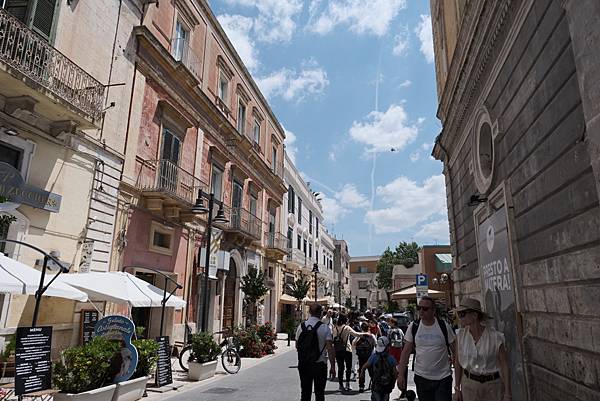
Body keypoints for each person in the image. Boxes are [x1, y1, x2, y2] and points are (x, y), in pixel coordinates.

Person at [397, 296, 456, 401]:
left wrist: (459, 380)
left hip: (443, 378)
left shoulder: (443, 326)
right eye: (419, 308)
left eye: (425, 309)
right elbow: (405, 352)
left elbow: (456, 351)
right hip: (422, 379)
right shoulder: (414, 326)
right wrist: (400, 375)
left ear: (433, 311)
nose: (421, 311)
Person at [452, 298, 511, 401]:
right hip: (469, 384)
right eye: (459, 314)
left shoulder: (495, 337)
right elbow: (457, 363)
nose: (460, 317)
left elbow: (504, 365)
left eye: (462, 314)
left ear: (474, 315)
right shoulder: (460, 336)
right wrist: (457, 388)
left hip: (492, 386)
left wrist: (507, 393)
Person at [296, 303, 336, 401]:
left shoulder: (301, 327)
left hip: (304, 364)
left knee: (305, 393)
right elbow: (330, 349)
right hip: (320, 364)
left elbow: (297, 346)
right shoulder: (325, 328)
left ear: (309, 312)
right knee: (319, 393)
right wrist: (333, 366)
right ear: (321, 313)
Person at [333, 314, 370, 392]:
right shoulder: (346, 327)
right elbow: (356, 334)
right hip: (347, 349)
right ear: (344, 320)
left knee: (340, 368)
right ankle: (347, 383)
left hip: (338, 350)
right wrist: (365, 334)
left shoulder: (335, 328)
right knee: (348, 368)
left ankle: (340, 385)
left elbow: (333, 338)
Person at [359, 337, 397, 401]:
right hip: (387, 385)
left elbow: (364, 366)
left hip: (376, 384)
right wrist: (393, 383)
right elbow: (395, 373)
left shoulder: (374, 356)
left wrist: (362, 373)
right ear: (388, 347)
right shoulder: (391, 358)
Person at [353, 322, 377, 392]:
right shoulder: (372, 336)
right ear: (368, 328)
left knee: (361, 370)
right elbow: (376, 345)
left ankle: (361, 386)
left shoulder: (360, 335)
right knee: (371, 371)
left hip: (361, 357)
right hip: (370, 356)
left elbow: (353, 344)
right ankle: (374, 385)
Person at [387, 317, 407, 398]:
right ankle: (403, 388)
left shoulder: (390, 331)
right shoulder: (400, 330)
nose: (388, 323)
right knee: (400, 366)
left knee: (391, 367)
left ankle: (391, 383)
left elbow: (387, 341)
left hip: (392, 350)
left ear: (393, 323)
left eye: (389, 322)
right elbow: (403, 340)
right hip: (399, 350)